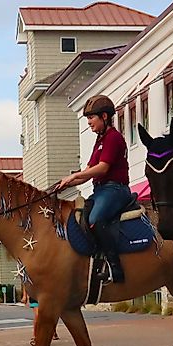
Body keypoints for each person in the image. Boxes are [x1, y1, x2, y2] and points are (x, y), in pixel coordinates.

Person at [56, 94, 131, 283]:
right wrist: (65, 183)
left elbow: (103, 168)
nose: (89, 122)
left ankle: (115, 268)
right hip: (101, 191)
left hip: (115, 190)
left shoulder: (114, 138)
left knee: (95, 219)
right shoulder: (100, 141)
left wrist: (74, 176)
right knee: (81, 217)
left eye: (91, 118)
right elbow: (89, 171)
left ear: (104, 117)